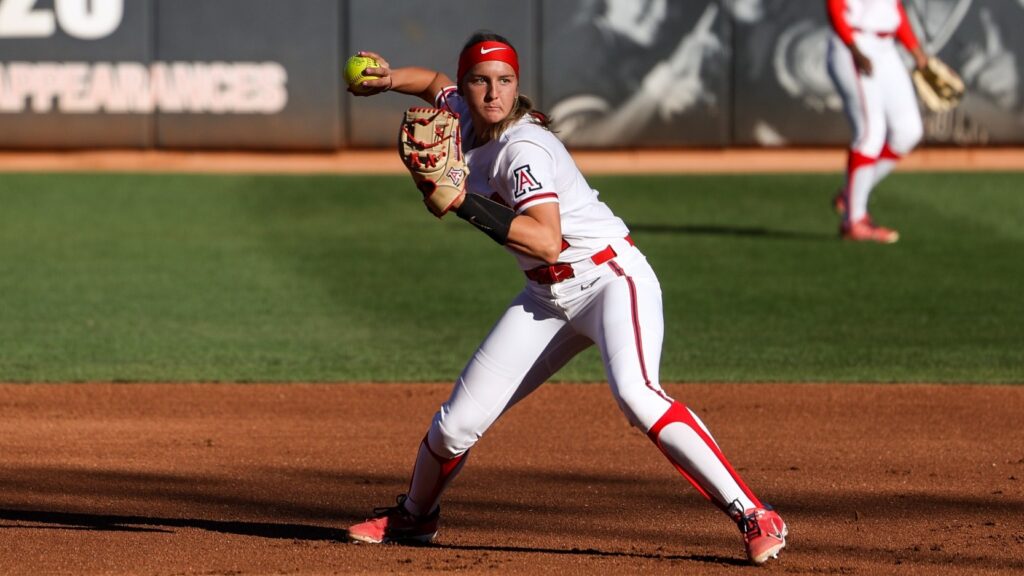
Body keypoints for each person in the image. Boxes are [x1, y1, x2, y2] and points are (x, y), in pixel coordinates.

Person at [343, 31, 788, 565]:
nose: (493, 94)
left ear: (517, 85)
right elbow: (435, 84)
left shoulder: (523, 147)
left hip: (609, 281)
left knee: (638, 395)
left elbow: (546, 238)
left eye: (505, 81)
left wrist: (462, 202)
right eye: (481, 82)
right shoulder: (461, 111)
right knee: (454, 426)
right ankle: (416, 516)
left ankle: (755, 514)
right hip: (544, 296)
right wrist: (392, 81)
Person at [826, 0, 930, 243]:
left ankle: (851, 195)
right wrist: (853, 48)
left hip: (886, 48)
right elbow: (834, 6)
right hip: (854, 43)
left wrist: (915, 50)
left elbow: (893, 8)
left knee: (908, 131)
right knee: (870, 133)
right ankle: (855, 221)